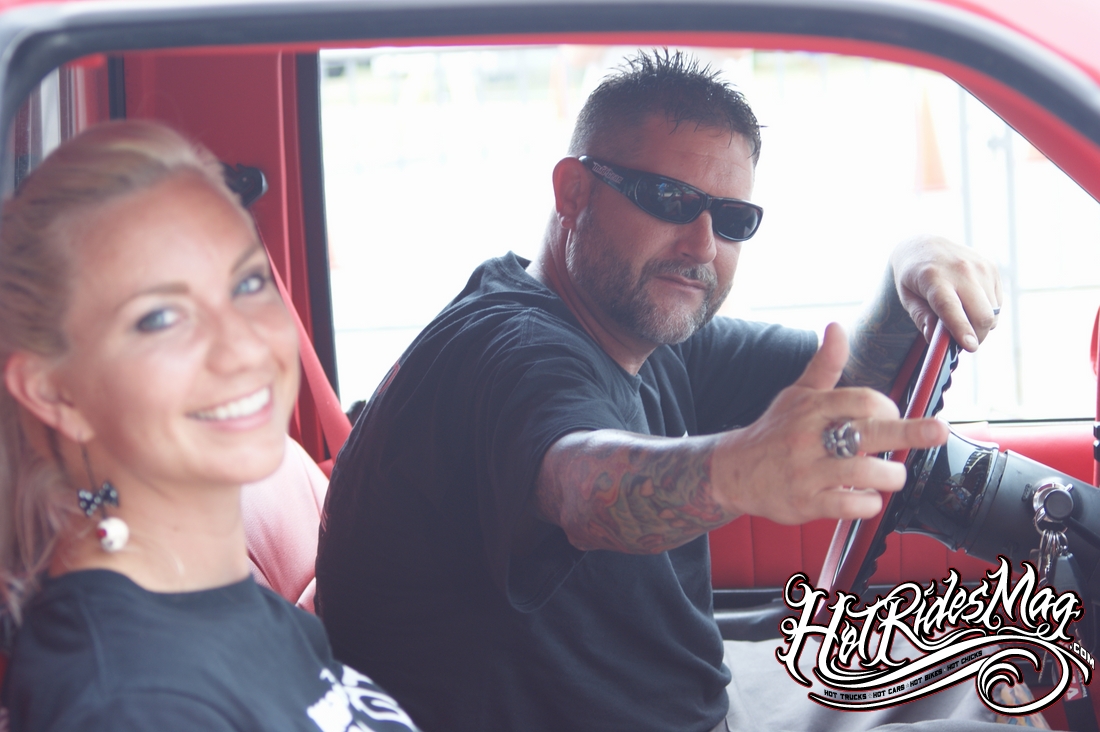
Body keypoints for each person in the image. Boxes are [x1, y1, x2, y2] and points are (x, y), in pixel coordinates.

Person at [314, 52, 1005, 732]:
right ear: (573, 193)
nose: (703, 246)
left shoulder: (643, 330)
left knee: (993, 668)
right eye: (671, 201)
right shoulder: (513, 352)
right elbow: (582, 489)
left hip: (702, 699)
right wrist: (737, 471)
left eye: (732, 219)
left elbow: (852, 385)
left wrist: (910, 263)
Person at [0, 120, 419, 731]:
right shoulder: (130, 699)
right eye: (161, 317)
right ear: (56, 393)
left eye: (247, 283)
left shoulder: (229, 605)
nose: (243, 345)